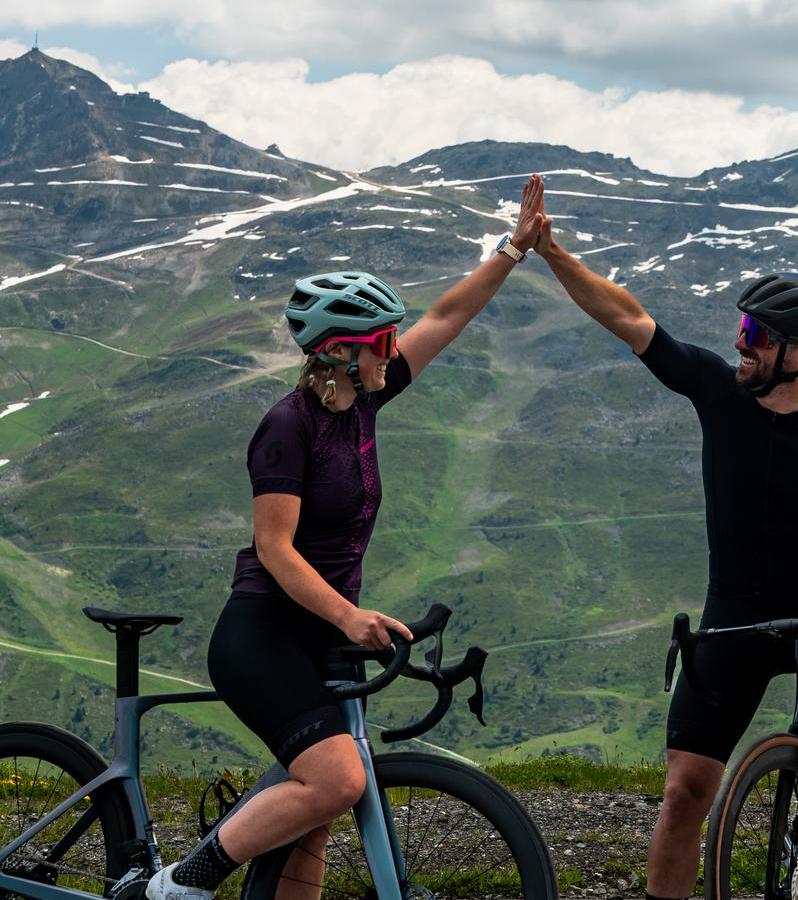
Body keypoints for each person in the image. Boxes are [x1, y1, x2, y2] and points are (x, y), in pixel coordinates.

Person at [147, 176, 545, 900]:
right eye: (380, 342)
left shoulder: (366, 398)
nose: (393, 351)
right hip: (262, 635)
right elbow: (275, 550)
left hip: (318, 635)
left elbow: (449, 316)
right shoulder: (288, 426)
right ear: (337, 353)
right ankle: (181, 884)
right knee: (337, 778)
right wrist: (349, 615)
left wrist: (514, 249)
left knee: (320, 813)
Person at [530, 187, 798, 896]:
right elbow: (630, 320)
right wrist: (552, 254)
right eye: (741, 326)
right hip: (731, 617)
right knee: (683, 797)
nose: (740, 342)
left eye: (756, 336)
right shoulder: (720, 393)